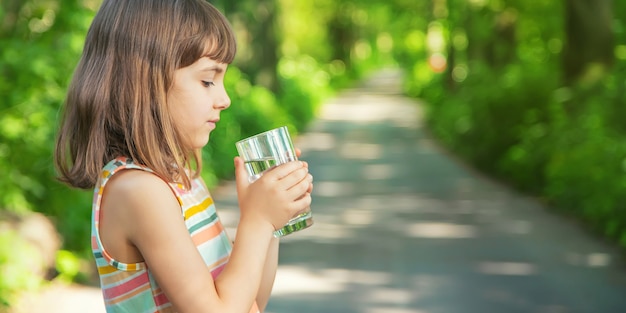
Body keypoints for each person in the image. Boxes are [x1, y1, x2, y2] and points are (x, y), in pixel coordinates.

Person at [53, 1, 313, 312]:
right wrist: (257, 221)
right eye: (207, 81)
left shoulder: (183, 180)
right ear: (145, 81)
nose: (225, 98)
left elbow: (249, 302)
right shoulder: (138, 191)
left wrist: (270, 222)